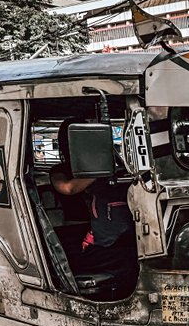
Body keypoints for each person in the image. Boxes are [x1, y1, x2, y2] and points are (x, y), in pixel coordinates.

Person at [50, 118, 138, 298]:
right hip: (73, 237)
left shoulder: (110, 166)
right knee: (126, 260)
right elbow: (68, 188)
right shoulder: (60, 170)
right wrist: (103, 167)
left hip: (109, 233)